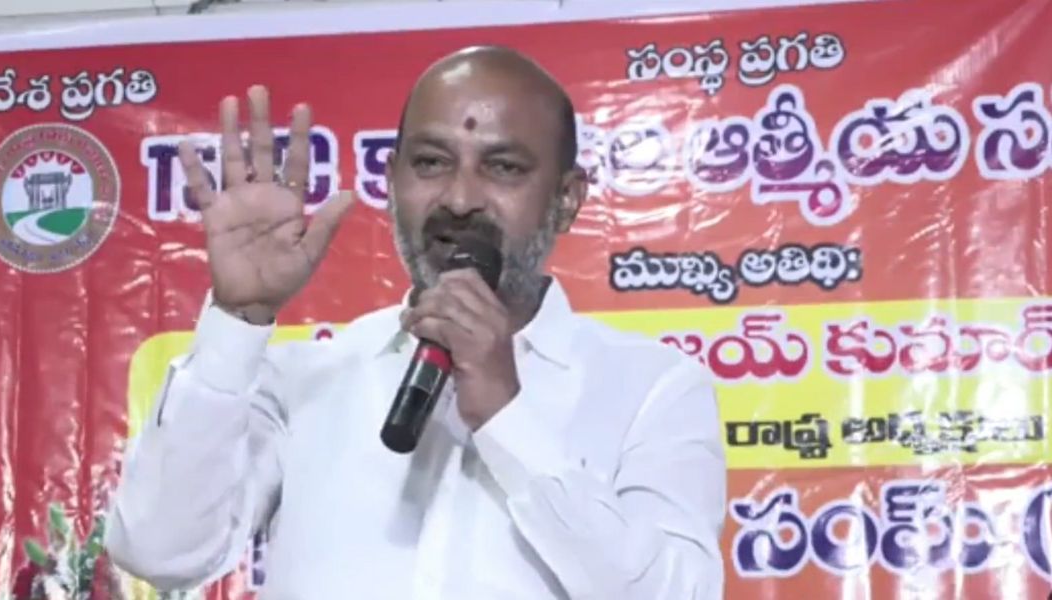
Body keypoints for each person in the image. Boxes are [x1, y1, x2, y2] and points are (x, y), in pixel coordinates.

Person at [104, 45, 726, 599]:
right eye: (431, 163)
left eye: (503, 167)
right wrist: (238, 319)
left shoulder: (652, 389)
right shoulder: (309, 379)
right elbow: (159, 553)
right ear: (391, 179)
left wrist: (507, 418)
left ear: (566, 199)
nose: (459, 199)